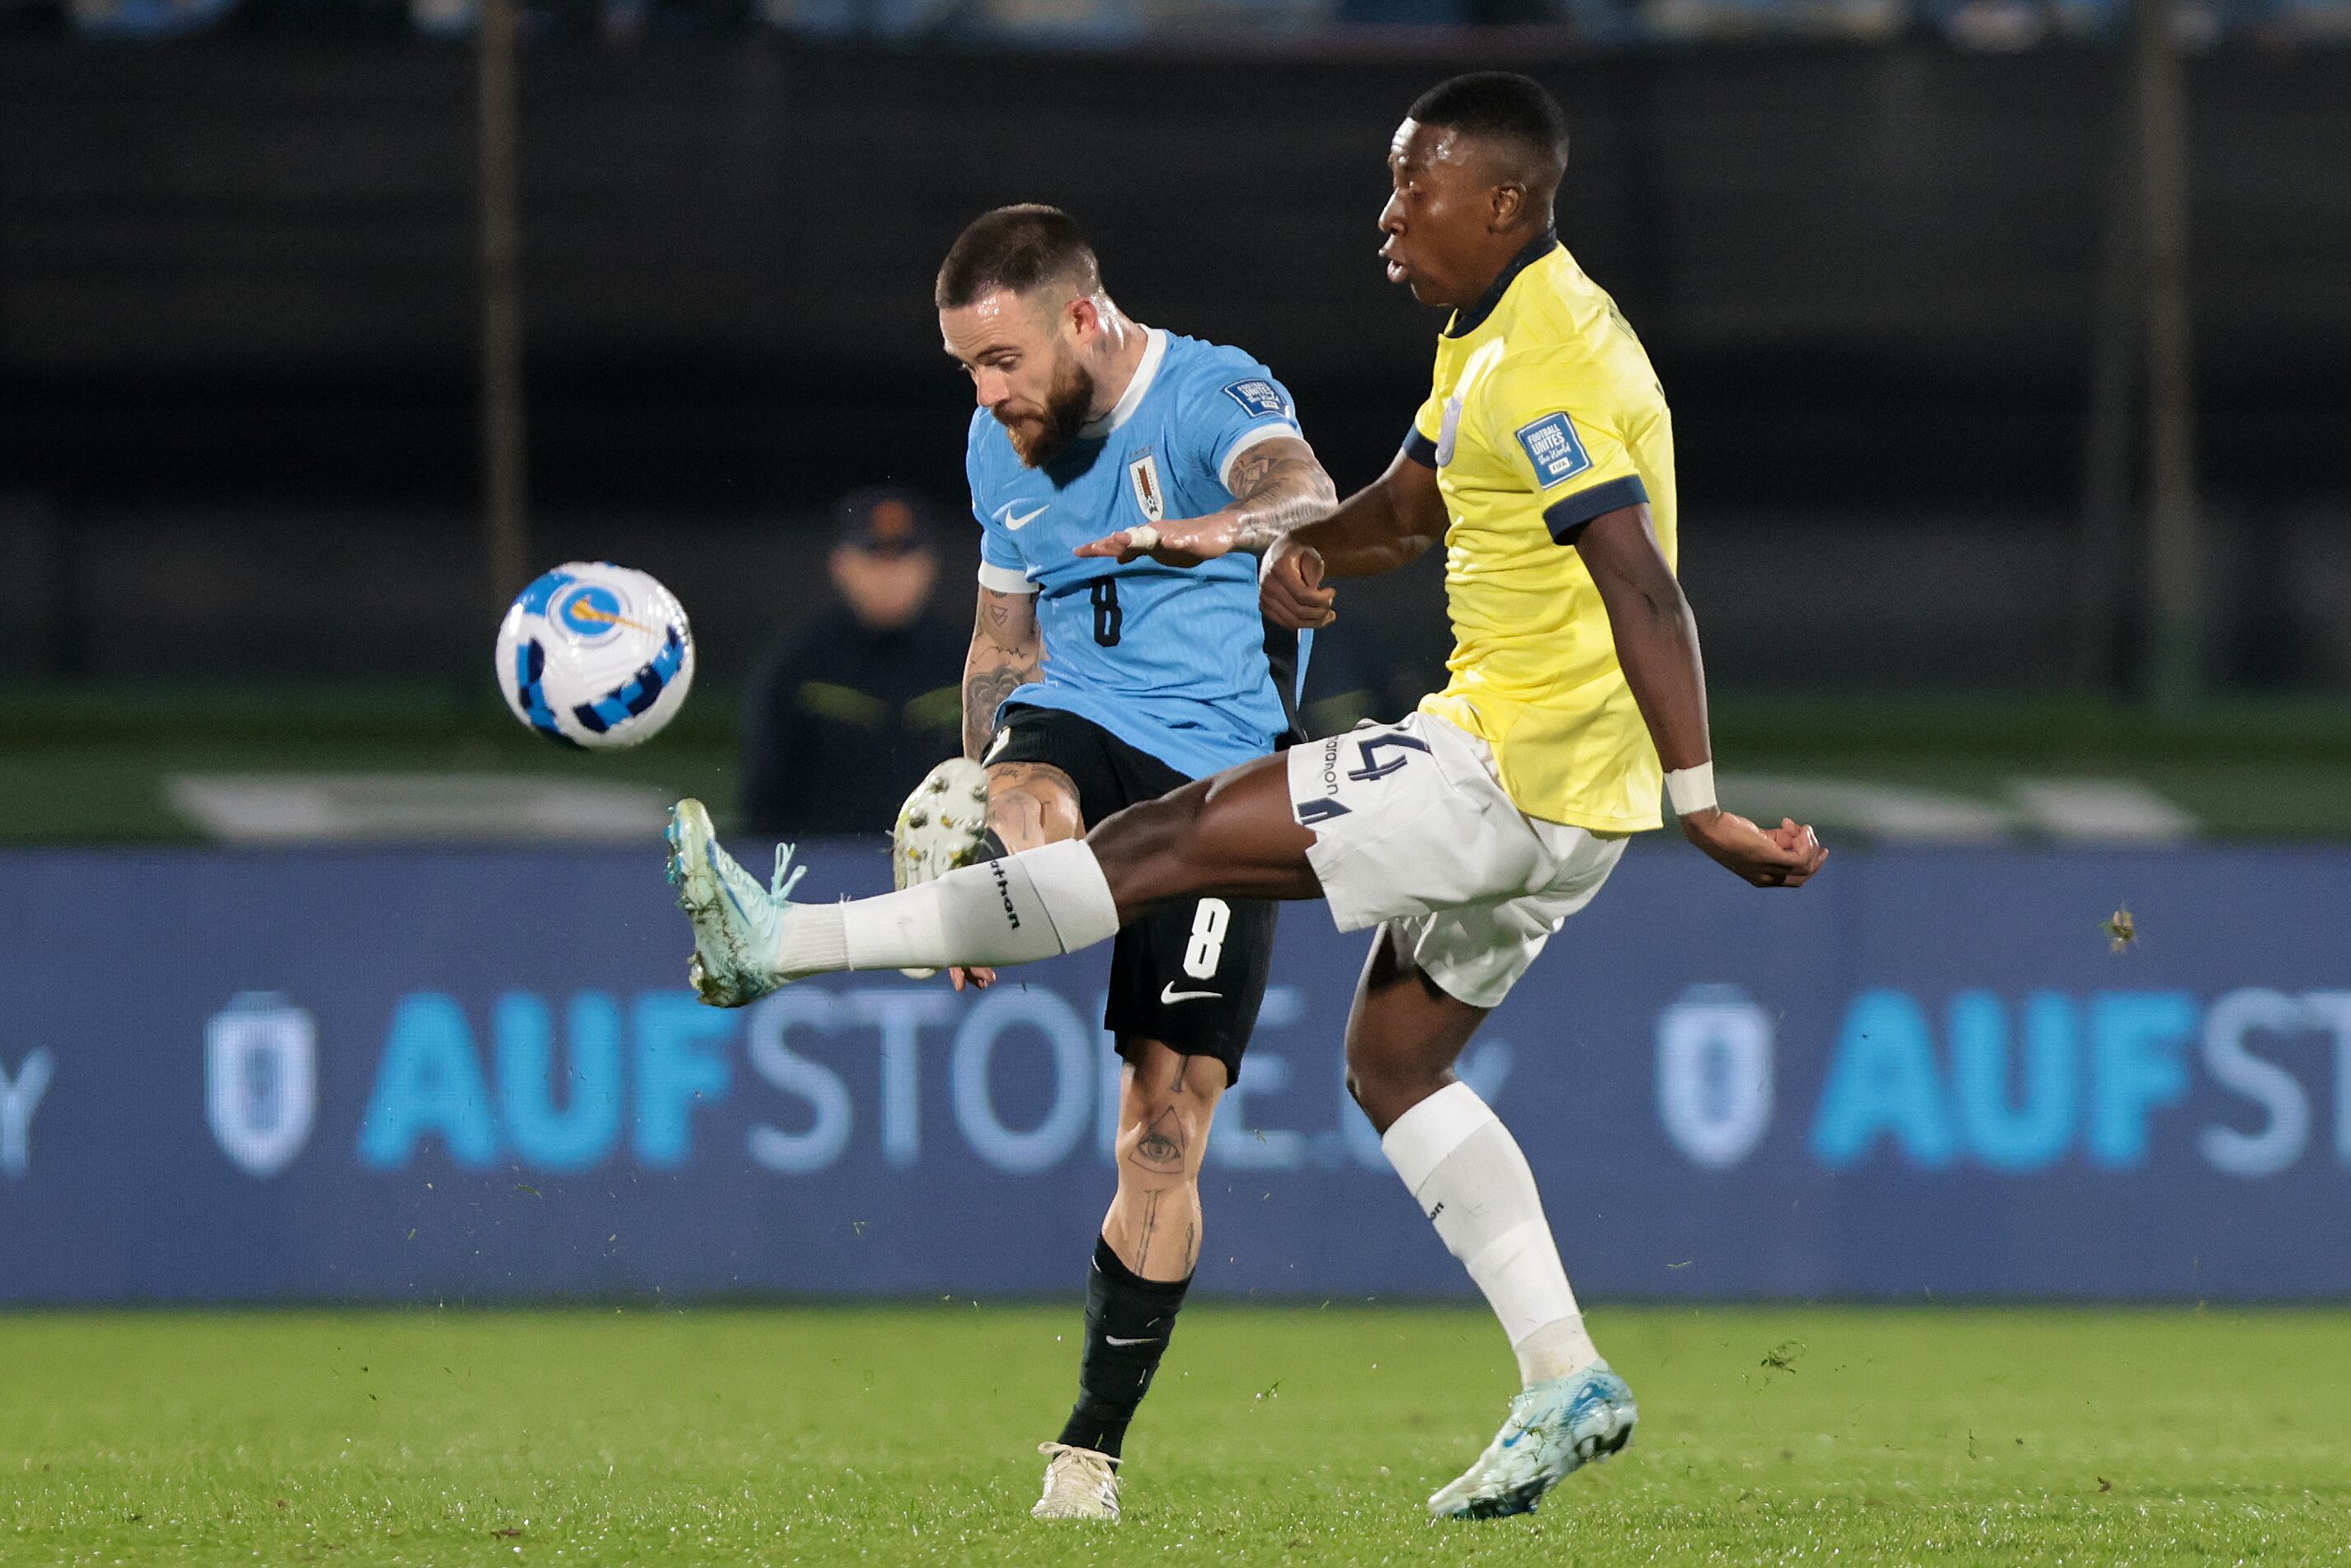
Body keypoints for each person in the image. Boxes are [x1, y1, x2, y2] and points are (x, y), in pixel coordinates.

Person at [663, 75, 1826, 1521]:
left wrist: (1699, 803)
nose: (1385, 216)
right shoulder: (1491, 336)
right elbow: (1408, 507)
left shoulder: (1547, 365)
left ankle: (775, 945)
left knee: (1164, 843)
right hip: (1567, 801)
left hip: (1510, 766)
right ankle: (1563, 1374)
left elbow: (1641, 584)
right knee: (1393, 1067)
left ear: (1501, 203)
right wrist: (1312, 553)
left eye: (1412, 188)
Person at [821, 204, 1340, 1523]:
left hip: (1221, 775)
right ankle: (981, 886)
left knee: (1161, 1134)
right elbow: (1001, 651)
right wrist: (972, 850)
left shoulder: (1209, 392)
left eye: (1001, 360)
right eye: (966, 368)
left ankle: (1087, 1453)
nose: (985, 393)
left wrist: (1206, 532)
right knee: (1027, 790)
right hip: (1078, 716)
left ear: (1084, 319)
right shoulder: (998, 445)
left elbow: (1305, 494)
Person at [737, 487, 965, 836]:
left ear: (928, 566)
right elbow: (763, 793)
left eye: (903, 558)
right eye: (874, 557)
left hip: (943, 864)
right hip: (823, 862)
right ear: (841, 565)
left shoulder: (964, 663)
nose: (890, 575)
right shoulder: (800, 663)